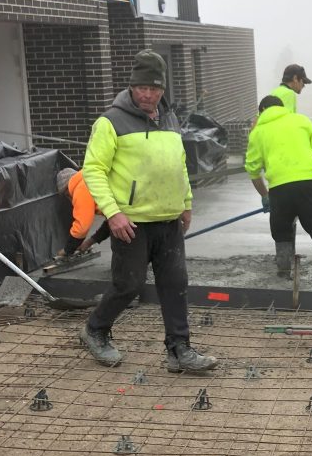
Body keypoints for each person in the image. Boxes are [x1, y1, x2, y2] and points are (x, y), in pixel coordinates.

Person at [78, 50, 218, 373]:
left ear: (163, 90)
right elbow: (93, 170)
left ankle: (179, 349)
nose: (148, 94)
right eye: (142, 87)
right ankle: (95, 329)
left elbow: (179, 164)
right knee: (128, 284)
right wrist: (113, 213)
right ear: (131, 86)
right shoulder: (110, 122)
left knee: (175, 283)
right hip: (131, 223)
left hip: (168, 220)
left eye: (154, 88)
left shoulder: (169, 119)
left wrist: (185, 202)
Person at [246, 95, 312, 281]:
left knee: (281, 231)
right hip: (309, 183)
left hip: (279, 189)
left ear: (261, 113)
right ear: (282, 108)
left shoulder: (258, 132)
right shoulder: (301, 120)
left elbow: (252, 170)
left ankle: (283, 274)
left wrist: (265, 195)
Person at [56, 167, 110, 257]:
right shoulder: (89, 179)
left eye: (66, 195)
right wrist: (89, 242)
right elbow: (113, 222)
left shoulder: (80, 188)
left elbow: (82, 226)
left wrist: (68, 249)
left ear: (67, 189)